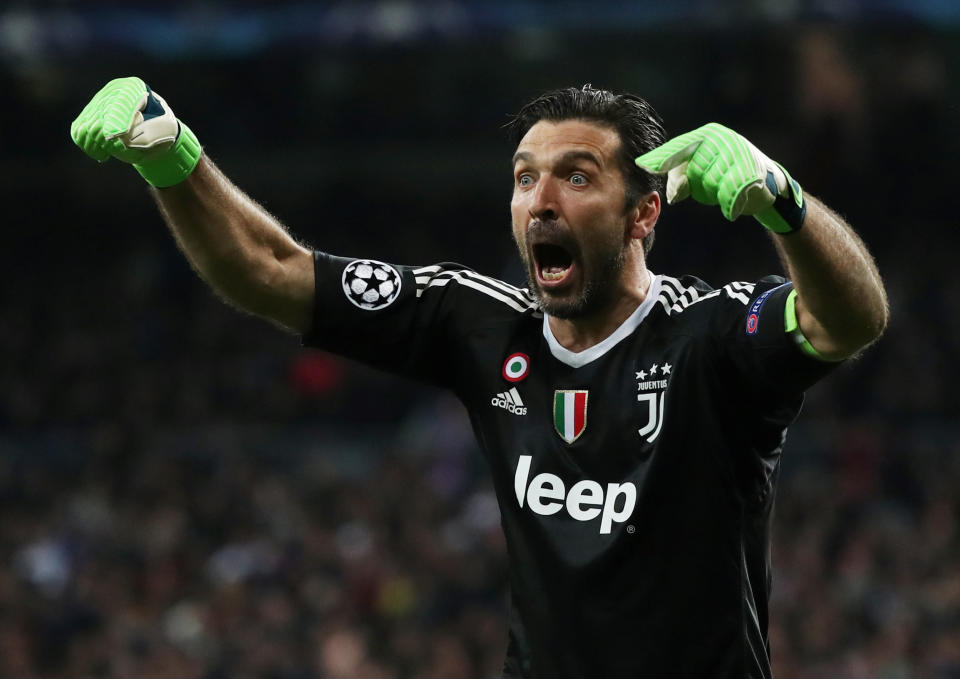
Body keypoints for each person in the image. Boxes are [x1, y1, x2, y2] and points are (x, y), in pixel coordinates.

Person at [71, 79, 888, 678]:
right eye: (525, 175)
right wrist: (172, 154)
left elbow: (850, 318)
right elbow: (269, 270)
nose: (540, 199)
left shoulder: (712, 339)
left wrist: (785, 202)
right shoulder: (477, 323)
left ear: (644, 214)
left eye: (576, 175)